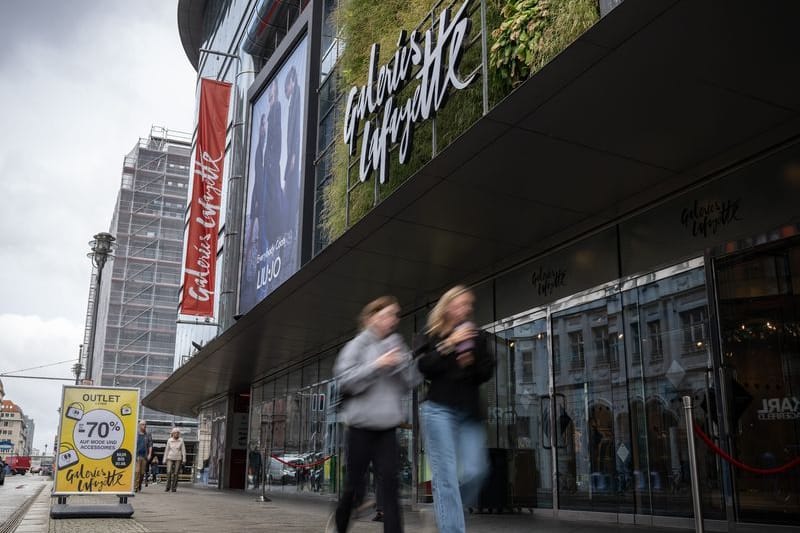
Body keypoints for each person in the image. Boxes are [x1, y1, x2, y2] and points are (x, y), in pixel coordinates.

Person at [330, 296, 417, 533]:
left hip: (387, 428)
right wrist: (377, 365)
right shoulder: (357, 345)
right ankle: (340, 524)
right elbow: (346, 382)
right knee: (354, 487)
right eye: (386, 315)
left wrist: (402, 364)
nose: (392, 320)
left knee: (390, 485)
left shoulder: (396, 342)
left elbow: (411, 382)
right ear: (371, 318)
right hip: (360, 427)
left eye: (395, 315)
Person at [414, 285, 494, 533]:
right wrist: (450, 343)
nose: (465, 309)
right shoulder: (432, 335)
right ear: (447, 306)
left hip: (469, 413)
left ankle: (442, 509)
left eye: (468, 305)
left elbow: (487, 371)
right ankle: (450, 526)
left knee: (476, 470)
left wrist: (471, 361)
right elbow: (425, 367)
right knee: (446, 476)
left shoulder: (478, 336)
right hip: (437, 410)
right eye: (460, 304)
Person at [164, 428, 187, 492]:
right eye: (175, 432)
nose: (176, 434)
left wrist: (184, 459)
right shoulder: (169, 440)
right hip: (170, 457)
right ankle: (167, 487)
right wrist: (164, 459)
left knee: (176, 473)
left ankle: (174, 487)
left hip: (178, 458)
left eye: (178, 433)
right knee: (169, 472)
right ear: (173, 433)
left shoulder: (181, 440)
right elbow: (167, 450)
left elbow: (183, 450)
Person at [134, 420, 153, 492]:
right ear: (139, 425)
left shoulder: (148, 434)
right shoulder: (136, 434)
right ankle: (135, 487)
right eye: (142, 425)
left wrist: (149, 454)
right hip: (137, 455)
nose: (144, 426)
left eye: (145, 425)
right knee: (137, 471)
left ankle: (139, 485)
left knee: (142, 473)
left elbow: (150, 445)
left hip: (144, 456)